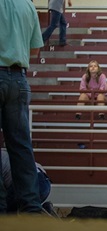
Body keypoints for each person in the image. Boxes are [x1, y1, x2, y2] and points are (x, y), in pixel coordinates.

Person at [0, 0, 45, 214]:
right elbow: (35, 49)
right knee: (21, 146)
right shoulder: (28, 5)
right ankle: (31, 208)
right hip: (19, 78)